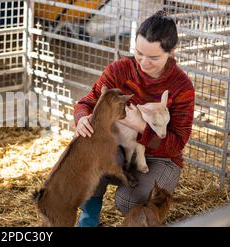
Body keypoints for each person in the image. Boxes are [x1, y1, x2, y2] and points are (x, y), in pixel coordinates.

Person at [73, 10, 195, 227]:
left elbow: (177, 143)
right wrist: (82, 118)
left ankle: (150, 218)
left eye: (153, 57)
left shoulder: (181, 86)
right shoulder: (120, 70)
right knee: (87, 155)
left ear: (171, 52)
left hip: (160, 157)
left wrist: (141, 127)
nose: (143, 63)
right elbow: (88, 102)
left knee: (128, 200)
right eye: (139, 53)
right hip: (120, 147)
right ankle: (88, 221)